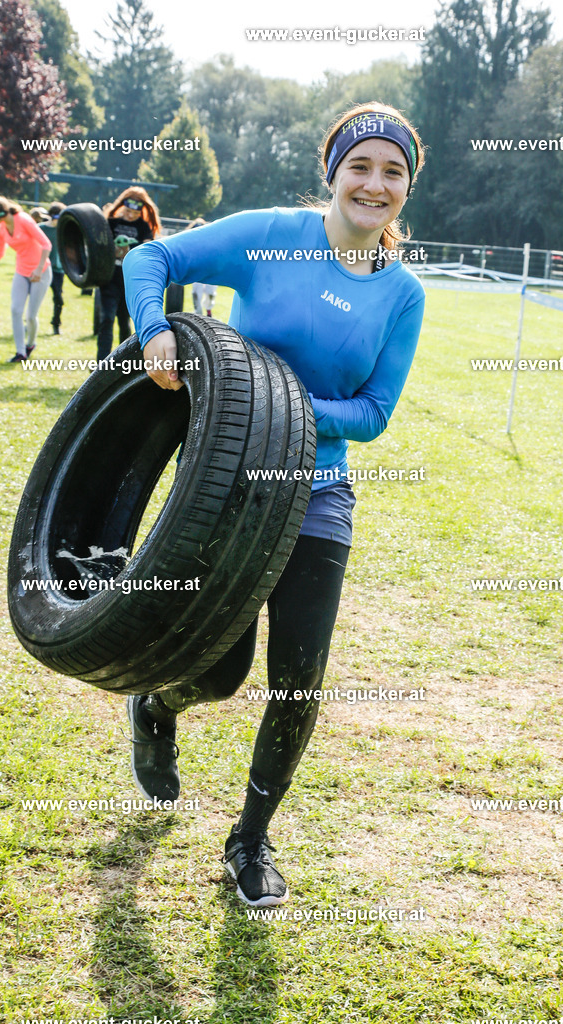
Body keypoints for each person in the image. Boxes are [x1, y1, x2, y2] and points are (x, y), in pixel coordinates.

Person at [123, 102, 425, 907]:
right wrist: (155, 331)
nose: (374, 183)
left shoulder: (403, 294)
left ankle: (250, 843)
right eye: (360, 166)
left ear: (404, 190)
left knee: (299, 683)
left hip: (318, 492)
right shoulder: (271, 235)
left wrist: (278, 400)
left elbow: (372, 412)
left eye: (392, 172)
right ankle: (157, 707)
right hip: (225, 484)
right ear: (332, 172)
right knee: (219, 674)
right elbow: (149, 256)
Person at [97, 187, 161, 361]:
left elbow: (148, 249)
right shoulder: (111, 223)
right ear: (122, 206)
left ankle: (123, 362)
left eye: (135, 212)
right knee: (106, 320)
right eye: (129, 211)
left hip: (128, 282)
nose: (131, 215)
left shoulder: (143, 227)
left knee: (124, 322)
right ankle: (101, 363)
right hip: (109, 279)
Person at [0, 194, 52, 362]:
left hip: (41, 271)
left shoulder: (23, 220)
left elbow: (46, 244)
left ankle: (30, 344)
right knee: (15, 310)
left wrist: (39, 269)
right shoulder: (1, 229)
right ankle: (20, 352)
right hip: (21, 272)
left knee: (31, 316)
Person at [41, 202, 66, 335]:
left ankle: (56, 324)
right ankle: (29, 322)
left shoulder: (64, 231)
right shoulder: (40, 229)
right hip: (41, 269)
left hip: (57, 270)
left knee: (58, 299)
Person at [187, 218, 217, 316]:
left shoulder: (211, 241)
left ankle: (209, 311)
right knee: (196, 291)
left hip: (210, 270)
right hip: (197, 271)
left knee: (211, 292)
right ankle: (198, 312)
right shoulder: (190, 243)